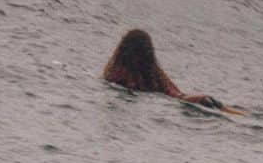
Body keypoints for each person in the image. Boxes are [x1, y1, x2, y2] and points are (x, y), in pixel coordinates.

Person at [103, 29, 240, 112]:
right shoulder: (157, 73)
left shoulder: (122, 72)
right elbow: (174, 92)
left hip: (187, 100)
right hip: (189, 98)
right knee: (223, 108)